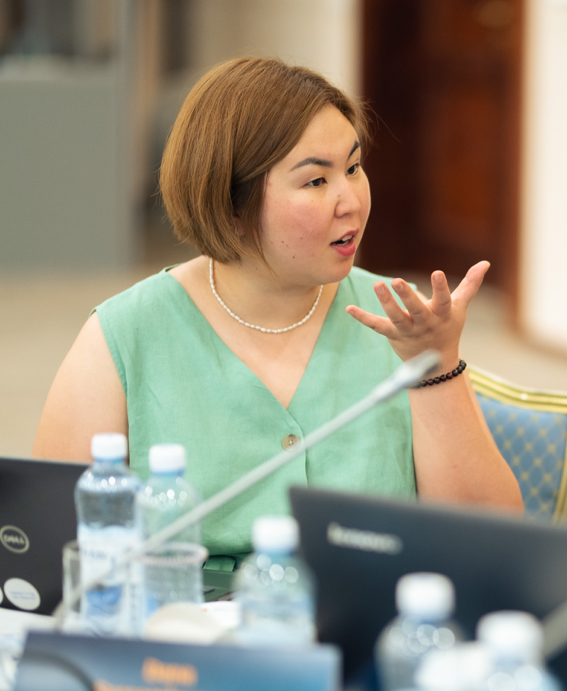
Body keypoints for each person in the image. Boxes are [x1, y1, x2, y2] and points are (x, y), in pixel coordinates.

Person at [33, 57, 522, 570]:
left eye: (353, 168)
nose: (351, 201)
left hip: (370, 610)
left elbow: (490, 549)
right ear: (231, 204)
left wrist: (436, 364)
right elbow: (52, 554)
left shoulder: (405, 323)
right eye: (316, 181)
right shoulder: (123, 336)